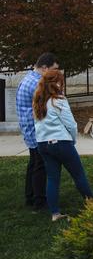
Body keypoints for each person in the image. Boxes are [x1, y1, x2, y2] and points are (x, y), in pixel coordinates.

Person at [32, 69, 93, 221]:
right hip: (61, 143)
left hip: (42, 145)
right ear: (57, 83)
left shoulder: (38, 101)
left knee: (53, 178)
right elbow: (71, 124)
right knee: (78, 174)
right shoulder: (58, 100)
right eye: (61, 81)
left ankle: (55, 213)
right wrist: (72, 140)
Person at [15, 52, 59, 210]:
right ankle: (39, 201)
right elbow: (48, 108)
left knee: (34, 163)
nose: (56, 73)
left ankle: (30, 197)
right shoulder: (36, 84)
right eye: (54, 69)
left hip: (28, 129)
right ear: (44, 68)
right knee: (40, 165)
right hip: (35, 130)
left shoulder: (27, 78)